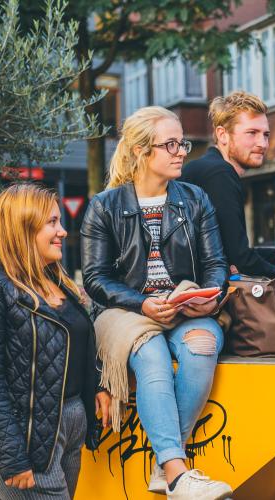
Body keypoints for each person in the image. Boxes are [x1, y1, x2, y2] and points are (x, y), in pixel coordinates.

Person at [82, 106, 232, 500]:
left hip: (186, 308)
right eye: (170, 144)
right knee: (151, 356)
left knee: (201, 347)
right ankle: (179, 473)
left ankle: (166, 465)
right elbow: (96, 279)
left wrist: (210, 298)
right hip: (126, 312)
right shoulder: (105, 206)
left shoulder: (195, 199)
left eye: (181, 142)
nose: (181, 151)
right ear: (140, 151)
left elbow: (216, 264)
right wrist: (143, 304)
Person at [0, 183, 113, 499]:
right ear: (22, 228)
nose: (63, 232)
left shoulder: (53, 279)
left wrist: (97, 386)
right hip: (24, 437)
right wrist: (12, 456)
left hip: (68, 423)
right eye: (52, 222)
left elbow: (72, 342)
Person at [179, 91, 275, 326]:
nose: (262, 144)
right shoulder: (220, 175)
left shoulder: (205, 167)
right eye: (252, 133)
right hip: (208, 298)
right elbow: (240, 258)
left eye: (266, 134)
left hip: (201, 288)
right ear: (223, 134)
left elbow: (230, 249)